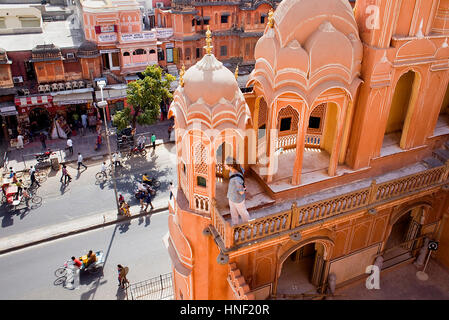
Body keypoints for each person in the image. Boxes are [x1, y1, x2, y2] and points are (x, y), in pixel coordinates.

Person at [225, 158, 250, 225]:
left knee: (243, 213)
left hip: (238, 199)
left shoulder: (237, 178)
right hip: (231, 197)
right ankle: (235, 226)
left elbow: (241, 192)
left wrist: (243, 188)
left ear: (230, 166)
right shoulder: (232, 172)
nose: (224, 165)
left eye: (225, 164)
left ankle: (247, 225)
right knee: (233, 213)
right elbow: (243, 171)